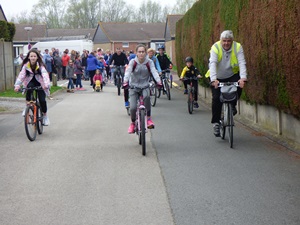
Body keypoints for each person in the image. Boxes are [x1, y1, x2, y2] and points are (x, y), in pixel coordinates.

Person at [208, 30, 247, 137]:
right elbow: (213, 63)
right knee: (216, 98)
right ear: (221, 40)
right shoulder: (215, 47)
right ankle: (216, 123)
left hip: (231, 74)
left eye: (228, 41)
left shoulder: (237, 47)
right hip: (217, 76)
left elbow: (242, 62)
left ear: (232, 41)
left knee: (239, 86)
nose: (226, 43)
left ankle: (233, 105)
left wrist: (243, 78)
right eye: (224, 41)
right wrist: (213, 79)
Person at [123, 44, 162, 134]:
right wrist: (125, 82)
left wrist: (159, 81)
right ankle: (132, 123)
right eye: (139, 52)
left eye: (143, 52)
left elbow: (154, 71)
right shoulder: (133, 62)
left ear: (146, 53)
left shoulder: (149, 62)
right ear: (136, 53)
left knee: (147, 97)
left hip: (145, 86)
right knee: (132, 107)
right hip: (133, 87)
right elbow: (128, 72)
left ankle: (148, 118)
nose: (141, 53)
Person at [14, 48, 51, 126]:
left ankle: (45, 116)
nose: (33, 58)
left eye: (34, 56)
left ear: (37, 57)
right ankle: (27, 106)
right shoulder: (26, 66)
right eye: (31, 56)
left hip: (40, 82)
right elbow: (21, 76)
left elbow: (45, 75)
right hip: (30, 81)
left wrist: (46, 85)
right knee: (29, 88)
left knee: (42, 100)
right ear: (28, 57)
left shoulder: (40, 66)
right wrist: (17, 85)